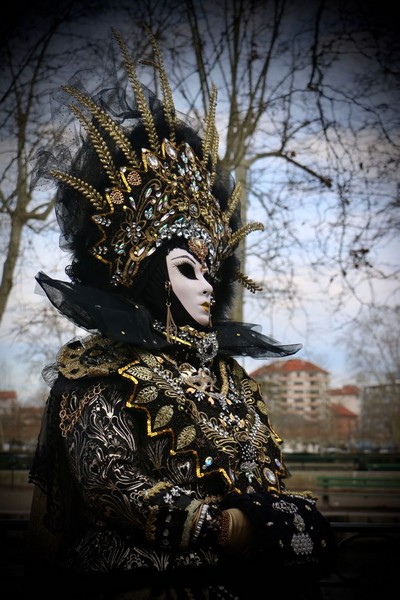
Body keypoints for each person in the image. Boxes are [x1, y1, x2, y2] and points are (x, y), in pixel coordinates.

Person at [27, 27, 336, 600]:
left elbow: (258, 482)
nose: (208, 287)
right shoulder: (97, 374)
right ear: (144, 270)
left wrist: (285, 517)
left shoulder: (229, 378)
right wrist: (220, 528)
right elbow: (106, 483)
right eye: (187, 268)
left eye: (211, 271)